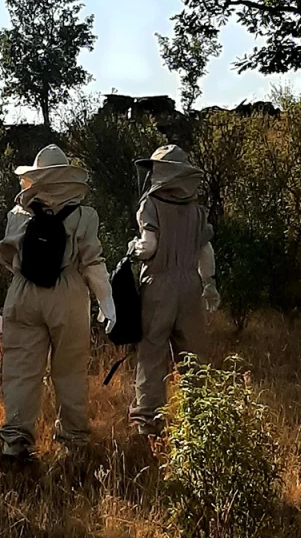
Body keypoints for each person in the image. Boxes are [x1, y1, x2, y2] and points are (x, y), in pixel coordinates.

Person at [0, 145, 116, 460]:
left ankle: (15, 442)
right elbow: (93, 262)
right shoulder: (85, 216)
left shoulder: (17, 214)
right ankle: (72, 443)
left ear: (35, 178)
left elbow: (7, 255)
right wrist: (107, 302)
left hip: (22, 292)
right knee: (70, 371)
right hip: (68, 293)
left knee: (21, 370)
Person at [127, 144, 220, 437]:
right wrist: (210, 284)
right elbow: (206, 251)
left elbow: (149, 245)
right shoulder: (196, 210)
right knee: (192, 356)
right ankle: (199, 419)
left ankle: (148, 422)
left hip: (157, 284)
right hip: (191, 286)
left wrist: (134, 249)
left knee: (152, 355)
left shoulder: (151, 205)